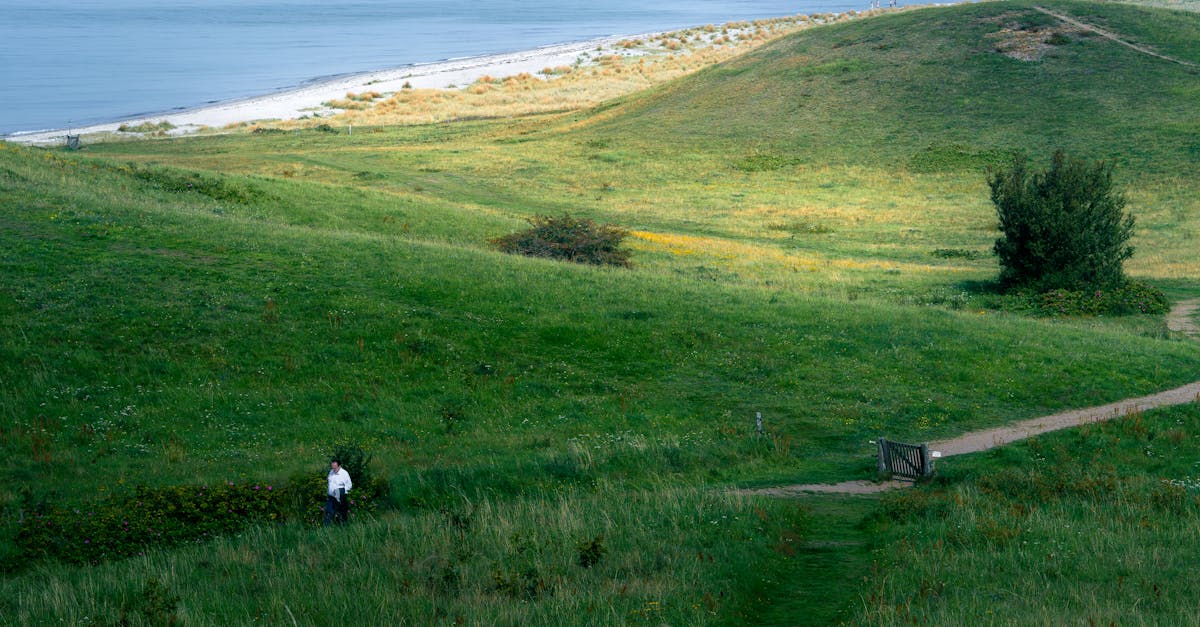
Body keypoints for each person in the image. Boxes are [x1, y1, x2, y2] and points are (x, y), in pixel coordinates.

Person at [324, 458, 353, 525]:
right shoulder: (331, 472)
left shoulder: (344, 473)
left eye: (335, 468)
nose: (334, 469)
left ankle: (343, 527)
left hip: (340, 496)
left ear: (339, 466)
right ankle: (326, 529)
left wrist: (341, 493)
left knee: (341, 512)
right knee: (328, 512)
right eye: (332, 467)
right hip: (331, 496)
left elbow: (349, 485)